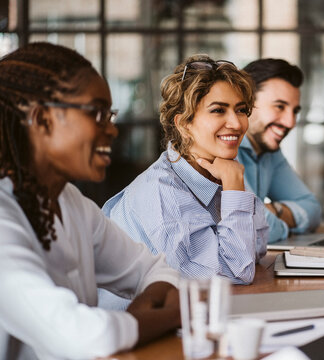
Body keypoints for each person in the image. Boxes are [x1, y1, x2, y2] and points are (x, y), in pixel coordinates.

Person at [0, 42, 181, 360]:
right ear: (43, 120)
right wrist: (166, 316)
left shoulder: (70, 202)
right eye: (97, 114)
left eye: (110, 115)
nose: (112, 130)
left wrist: (132, 321)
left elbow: (155, 270)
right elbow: (84, 336)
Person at [101, 55, 268, 295]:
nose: (236, 123)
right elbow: (234, 274)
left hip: (195, 314)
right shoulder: (162, 192)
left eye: (241, 110)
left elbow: (258, 244)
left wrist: (232, 184)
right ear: (184, 124)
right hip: (137, 327)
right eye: (218, 110)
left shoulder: (219, 169)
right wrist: (234, 186)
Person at [238, 58, 321, 243]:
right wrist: (277, 223)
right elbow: (250, 227)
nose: (290, 122)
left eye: (295, 111)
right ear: (245, 102)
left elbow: (313, 210)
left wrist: (273, 210)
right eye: (279, 107)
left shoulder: (270, 152)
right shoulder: (222, 147)